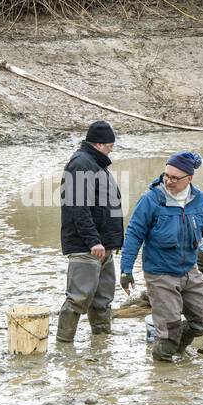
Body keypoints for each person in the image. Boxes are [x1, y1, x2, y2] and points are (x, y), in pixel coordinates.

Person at [120, 151, 203, 362]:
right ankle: (163, 373)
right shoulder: (151, 200)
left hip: (189, 270)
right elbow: (134, 234)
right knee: (169, 331)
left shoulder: (198, 199)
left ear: (189, 178)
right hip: (160, 274)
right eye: (166, 175)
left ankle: (176, 348)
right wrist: (126, 270)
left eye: (175, 177)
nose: (169, 181)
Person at [56, 120, 123, 342]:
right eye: (110, 146)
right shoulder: (81, 163)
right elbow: (77, 206)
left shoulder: (96, 163)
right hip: (88, 246)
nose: (111, 150)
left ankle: (101, 342)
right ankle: (64, 345)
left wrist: (112, 243)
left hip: (104, 246)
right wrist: (93, 240)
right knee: (78, 298)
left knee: (103, 298)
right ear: (100, 144)